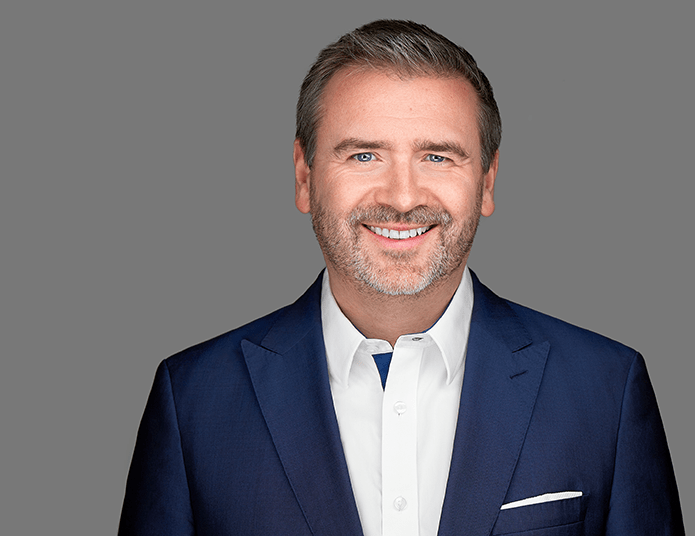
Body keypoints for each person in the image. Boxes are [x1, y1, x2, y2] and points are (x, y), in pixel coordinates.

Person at [118, 20, 683, 536]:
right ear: (304, 177)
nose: (402, 197)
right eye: (364, 155)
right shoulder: (191, 402)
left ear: (486, 182)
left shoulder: (606, 390)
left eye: (438, 157)